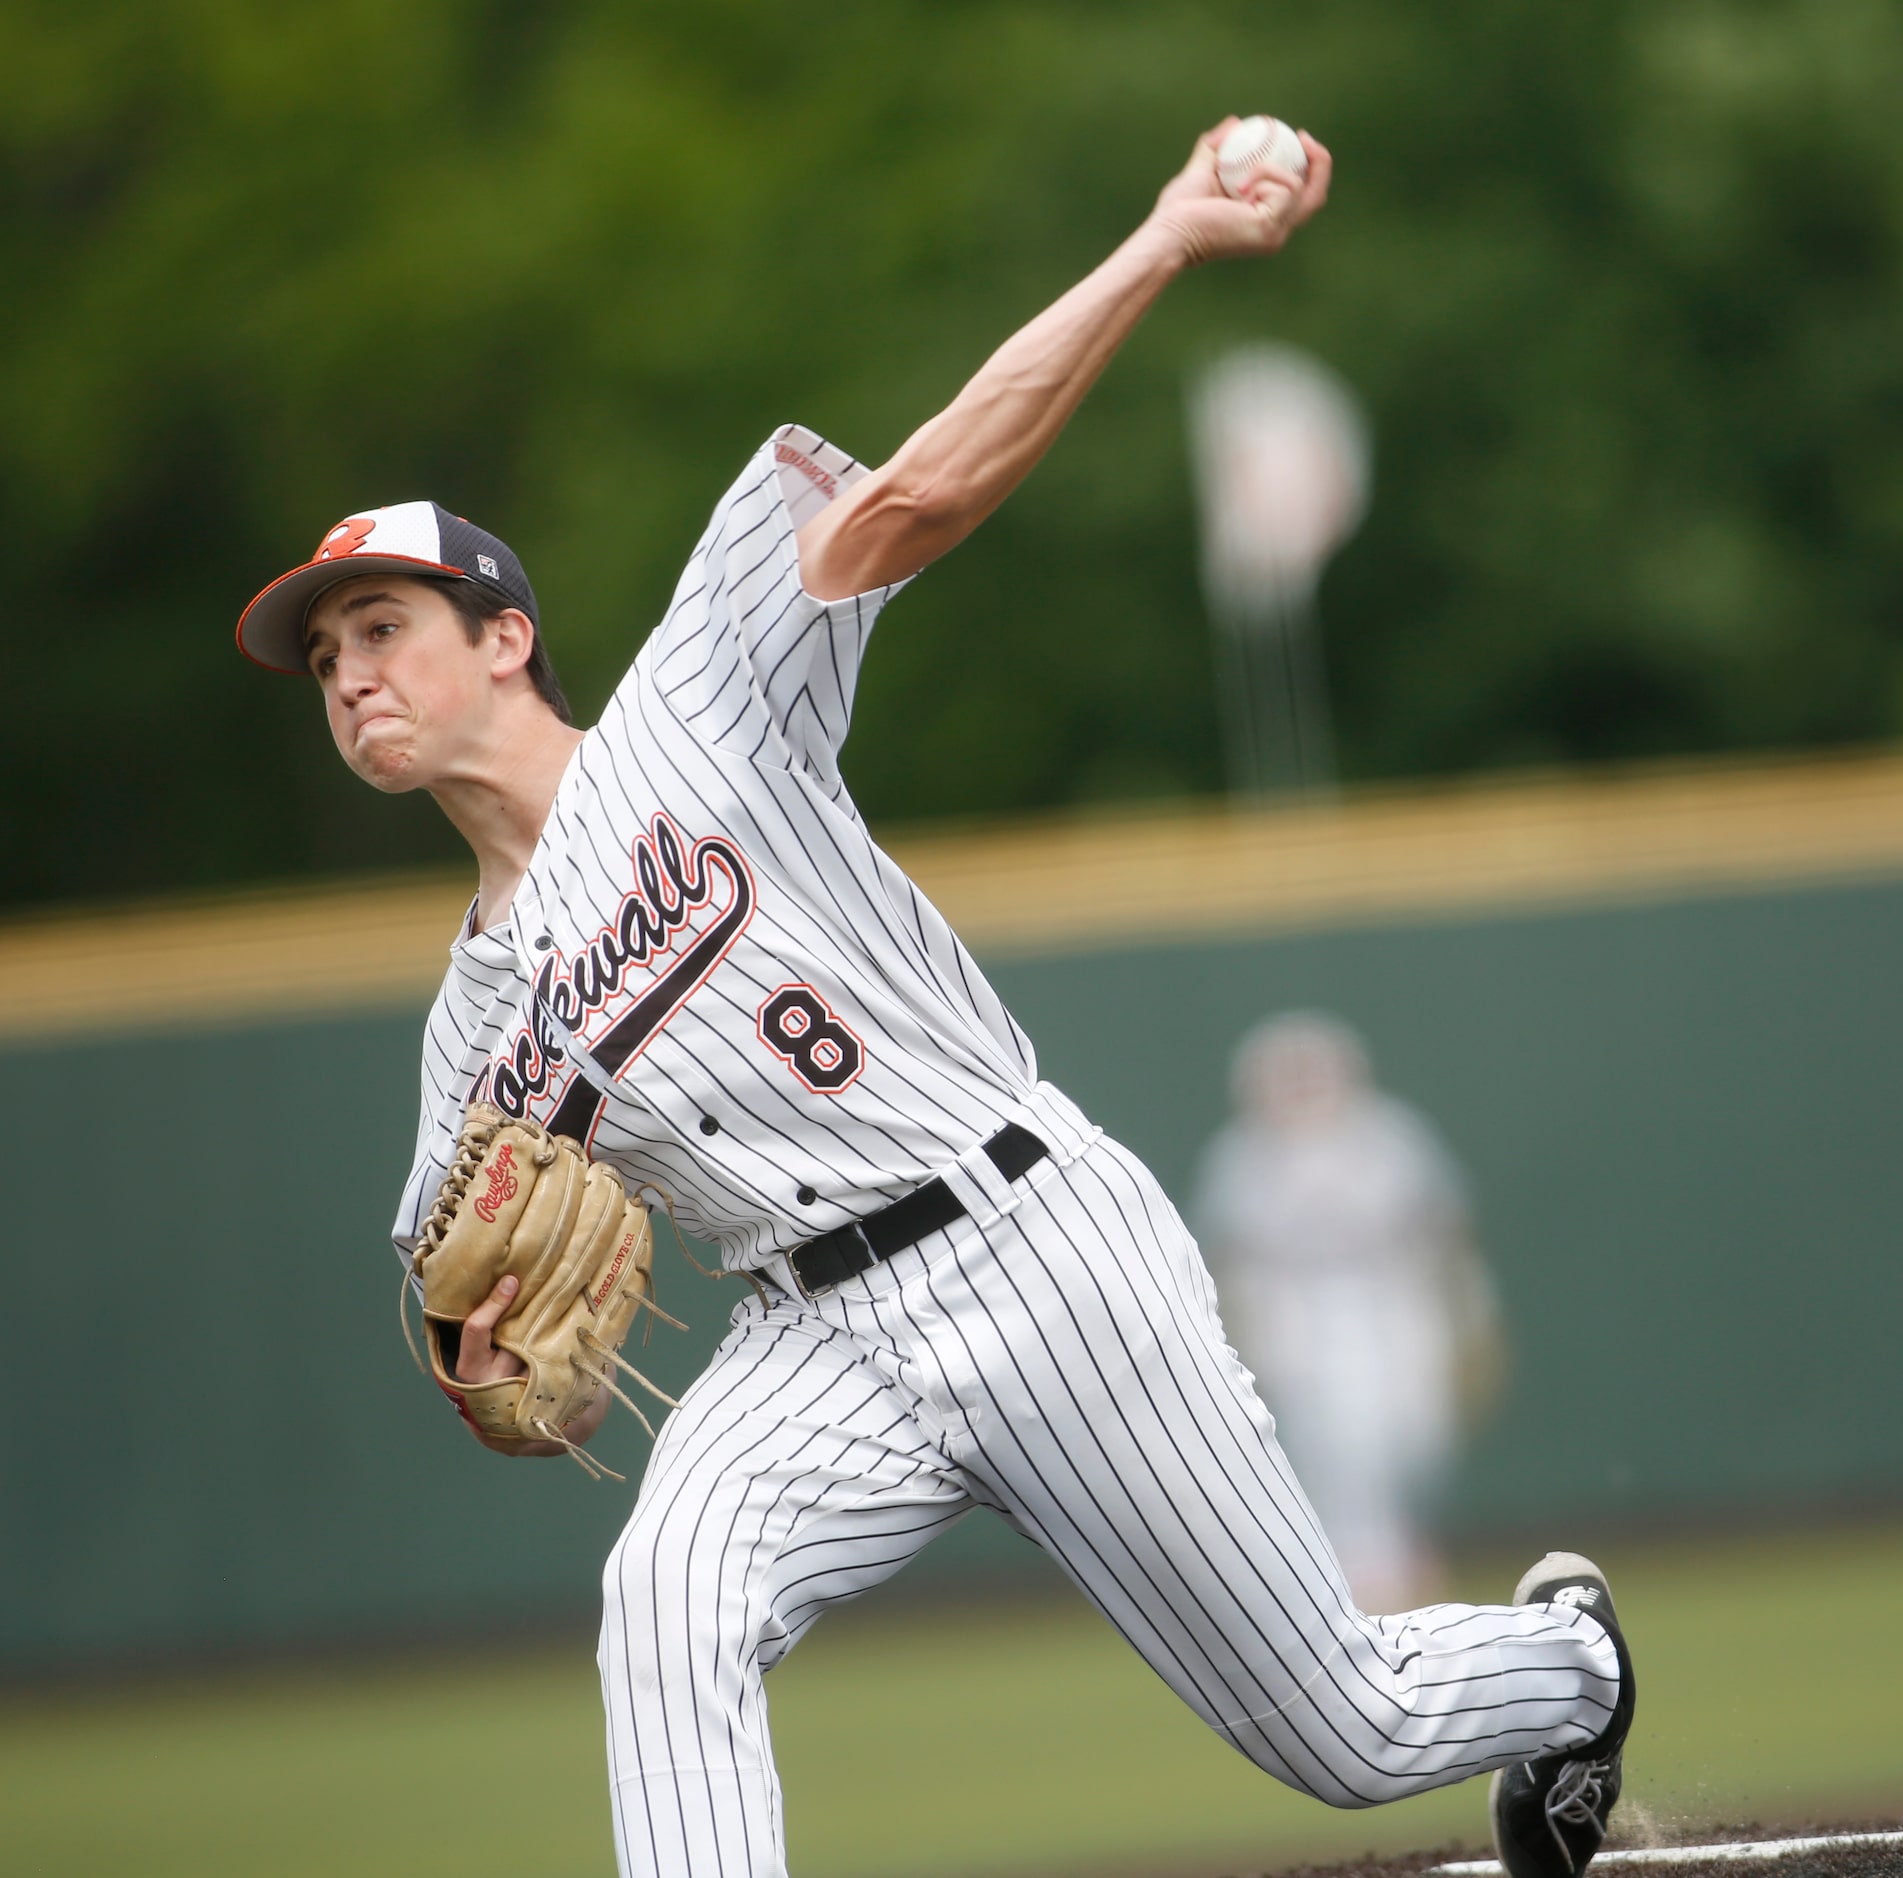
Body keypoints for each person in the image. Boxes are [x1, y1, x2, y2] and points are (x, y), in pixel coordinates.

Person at [235, 121, 1631, 1878]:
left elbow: (917, 492)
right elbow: (514, 1365)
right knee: (668, 1600)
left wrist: (1161, 239)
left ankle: (1571, 1665)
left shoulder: (693, 706)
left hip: (1031, 1242)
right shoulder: (471, 1033)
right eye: (330, 655)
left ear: (504, 636)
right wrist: (516, 1371)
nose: (350, 673)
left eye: (381, 626)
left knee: (1343, 1729)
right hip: (810, 1339)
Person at [1193, 1012, 1505, 1613]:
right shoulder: (1240, 1159)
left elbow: (1444, 1232)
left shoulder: (1391, 1138)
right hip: (1300, 1322)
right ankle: (1367, 1587)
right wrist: (1236, 1340)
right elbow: (1224, 1261)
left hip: (1398, 1308)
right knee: (1338, 1452)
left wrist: (1472, 1316)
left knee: (1415, 1445)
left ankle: (1397, 1559)